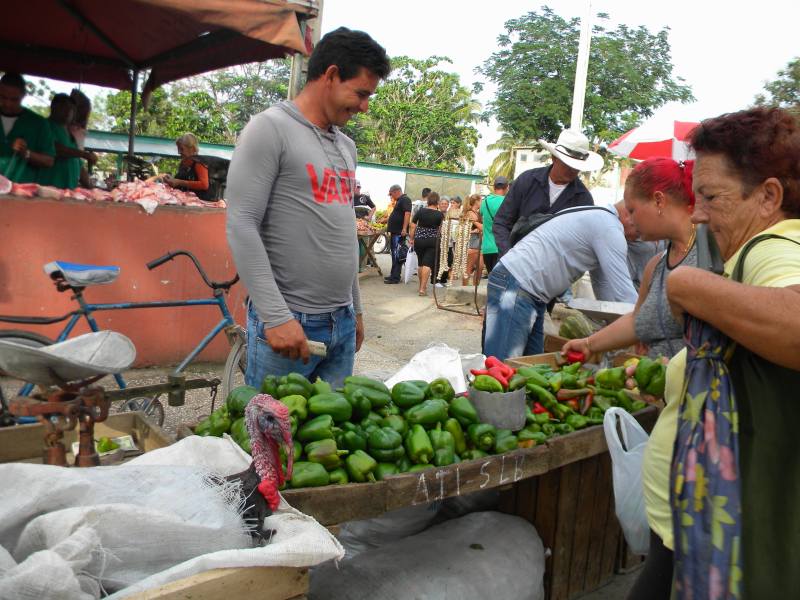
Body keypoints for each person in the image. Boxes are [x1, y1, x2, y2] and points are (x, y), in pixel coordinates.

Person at [637, 107, 800, 600]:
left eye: (710, 197)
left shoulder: (772, 247)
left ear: (769, 196)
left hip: (726, 538)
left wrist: (689, 284)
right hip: (706, 527)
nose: (700, 213)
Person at [225, 27, 391, 389]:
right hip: (290, 325)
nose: (364, 106)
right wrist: (275, 316)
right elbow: (241, 223)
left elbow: (344, 232)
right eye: (361, 93)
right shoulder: (269, 129)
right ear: (331, 75)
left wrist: (356, 310)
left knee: (327, 440)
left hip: (341, 322)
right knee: (270, 438)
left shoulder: (347, 148)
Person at [562, 158, 697, 364]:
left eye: (632, 210)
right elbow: (637, 320)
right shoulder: (657, 265)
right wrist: (589, 344)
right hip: (655, 389)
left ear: (658, 201)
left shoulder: (710, 256)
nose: (630, 220)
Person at [484, 205, 638, 360]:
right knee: (502, 366)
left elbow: (603, 285)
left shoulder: (599, 218)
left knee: (531, 366)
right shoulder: (609, 228)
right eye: (638, 232)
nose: (638, 237)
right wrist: (643, 327)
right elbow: (625, 295)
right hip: (516, 286)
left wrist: (609, 329)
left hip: (530, 292)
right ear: (630, 213)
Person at [493, 128, 603, 257]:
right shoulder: (527, 181)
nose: (572, 170)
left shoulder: (583, 199)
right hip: (513, 263)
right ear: (554, 158)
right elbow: (501, 222)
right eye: (567, 165)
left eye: (577, 167)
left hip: (554, 273)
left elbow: (581, 243)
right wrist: (509, 255)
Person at [0, 73, 54, 183]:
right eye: (3, 97)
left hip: (22, 192)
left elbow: (49, 161)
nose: (7, 103)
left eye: (14, 99)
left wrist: (26, 153)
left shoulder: (38, 123)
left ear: (24, 95)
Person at [41, 94, 95, 190]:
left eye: (71, 109)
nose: (68, 112)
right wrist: (84, 154)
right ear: (53, 107)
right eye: (63, 107)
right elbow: (55, 149)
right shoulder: (45, 126)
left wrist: (91, 188)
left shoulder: (69, 133)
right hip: (49, 189)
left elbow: (78, 163)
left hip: (68, 191)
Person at [409, 191, 444, 296]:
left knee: (420, 263)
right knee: (427, 264)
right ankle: (423, 288)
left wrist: (411, 238)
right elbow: (441, 229)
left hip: (419, 240)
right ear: (437, 202)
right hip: (432, 241)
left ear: (428, 201)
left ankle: (421, 286)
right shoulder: (439, 214)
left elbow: (413, 225)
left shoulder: (420, 211)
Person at [162, 133, 213, 201]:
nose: (179, 152)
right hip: (183, 201)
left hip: (198, 204)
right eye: (178, 149)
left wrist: (179, 182)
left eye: (182, 149)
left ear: (192, 149)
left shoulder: (199, 162)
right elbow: (180, 182)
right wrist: (171, 180)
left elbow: (204, 185)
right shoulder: (183, 163)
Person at [480, 176, 509, 273]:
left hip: (487, 248)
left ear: (494, 187)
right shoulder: (508, 202)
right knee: (501, 281)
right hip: (502, 247)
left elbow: (480, 216)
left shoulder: (485, 202)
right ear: (507, 187)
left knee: (491, 278)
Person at [385, 183, 412, 284]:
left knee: (397, 254)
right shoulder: (400, 200)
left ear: (396, 191)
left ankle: (395, 277)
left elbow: (407, 213)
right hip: (396, 232)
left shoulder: (405, 199)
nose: (391, 196)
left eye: (391, 194)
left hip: (399, 232)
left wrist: (404, 228)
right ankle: (393, 275)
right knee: (394, 254)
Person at [461, 194, 484, 286]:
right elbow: (482, 227)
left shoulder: (477, 213)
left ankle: (475, 289)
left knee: (480, 267)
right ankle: (465, 289)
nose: (482, 202)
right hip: (472, 242)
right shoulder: (470, 213)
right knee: (468, 268)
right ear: (476, 201)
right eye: (481, 200)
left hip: (479, 242)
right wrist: (475, 230)